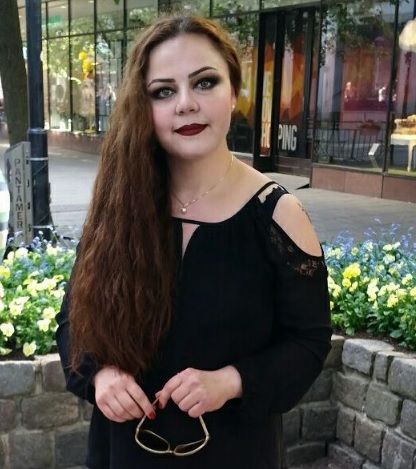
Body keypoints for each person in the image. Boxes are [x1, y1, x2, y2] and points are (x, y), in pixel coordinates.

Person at [56, 13, 332, 469]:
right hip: (123, 454)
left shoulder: (278, 214)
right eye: (163, 91)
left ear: (234, 91)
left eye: (204, 83)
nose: (185, 104)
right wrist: (100, 375)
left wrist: (231, 381)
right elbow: (73, 322)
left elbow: (309, 342)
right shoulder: (119, 205)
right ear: (143, 106)